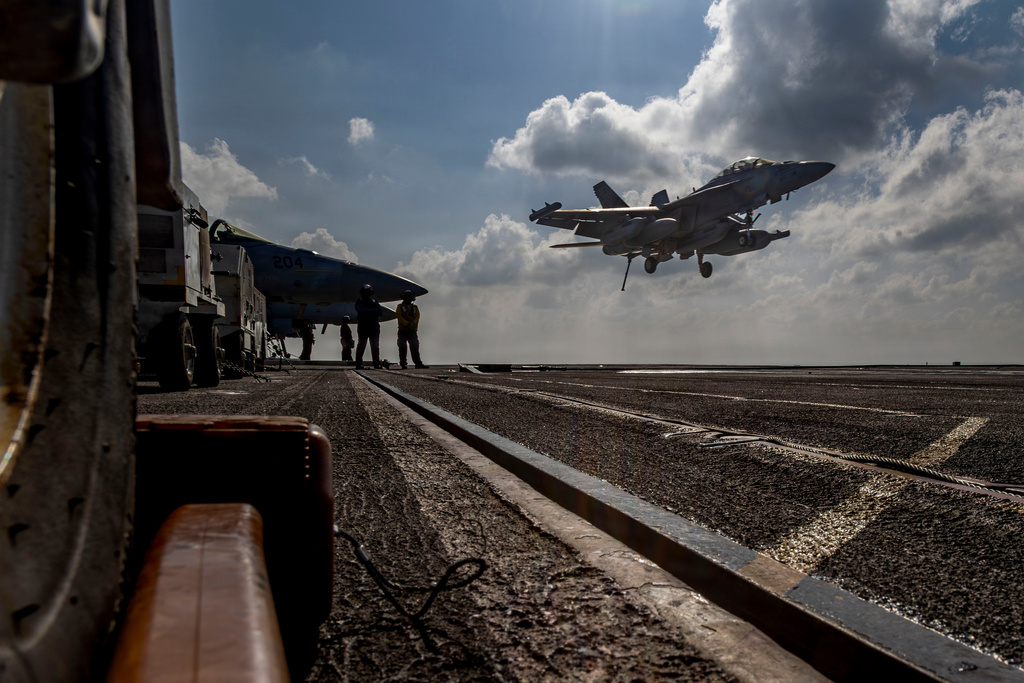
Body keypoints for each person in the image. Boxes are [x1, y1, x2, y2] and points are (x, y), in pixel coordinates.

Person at [396, 290, 428, 369]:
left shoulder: (415, 307)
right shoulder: (400, 307)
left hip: (412, 331)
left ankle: (418, 363)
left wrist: (412, 323)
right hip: (403, 331)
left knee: (415, 347)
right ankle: (403, 363)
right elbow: (399, 317)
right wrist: (408, 324)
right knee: (402, 347)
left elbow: (417, 317)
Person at [354, 284, 383, 369]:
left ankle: (376, 364)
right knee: (362, 345)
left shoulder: (374, 302)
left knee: (375, 346)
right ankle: (358, 364)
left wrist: (369, 312)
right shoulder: (359, 302)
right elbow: (363, 311)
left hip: (373, 326)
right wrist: (374, 311)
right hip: (364, 326)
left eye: (368, 292)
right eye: (365, 292)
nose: (367, 294)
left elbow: (380, 312)